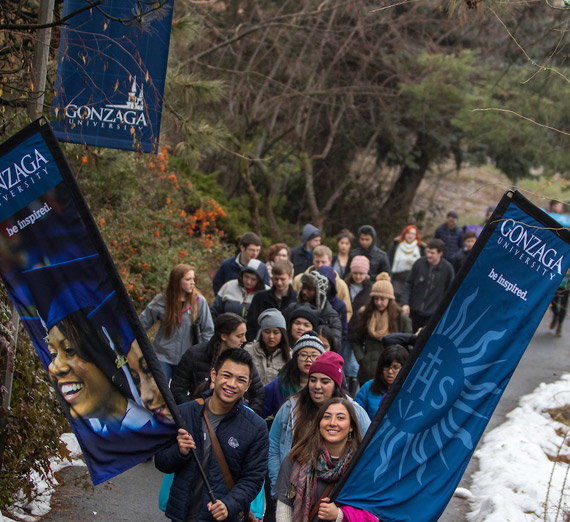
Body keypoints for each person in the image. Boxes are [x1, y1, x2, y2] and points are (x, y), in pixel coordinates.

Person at [155, 348, 269, 522]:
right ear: (214, 375)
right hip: (183, 515)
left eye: (240, 380)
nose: (231, 384)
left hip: (223, 517)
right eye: (227, 375)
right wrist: (180, 452)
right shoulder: (184, 413)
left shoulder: (256, 428)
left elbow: (253, 479)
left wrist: (229, 505)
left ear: (248, 386)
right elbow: (161, 462)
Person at [268, 350, 370, 495]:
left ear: (336, 384)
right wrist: (278, 487)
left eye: (325, 381)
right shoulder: (290, 408)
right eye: (313, 379)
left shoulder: (354, 412)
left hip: (340, 495)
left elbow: (369, 450)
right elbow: (273, 446)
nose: (317, 386)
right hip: (292, 491)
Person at [274, 398, 376, 522]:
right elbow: (284, 507)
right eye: (327, 417)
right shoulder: (297, 458)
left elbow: (373, 514)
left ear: (351, 427)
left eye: (340, 418)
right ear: (319, 423)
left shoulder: (361, 465)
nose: (332, 423)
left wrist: (339, 515)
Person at [170, 313, 265, 414]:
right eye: (239, 336)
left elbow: (258, 393)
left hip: (232, 419)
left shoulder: (243, 360)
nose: (244, 340)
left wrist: (246, 419)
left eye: (244, 335)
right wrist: (193, 412)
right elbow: (177, 389)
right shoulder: (194, 354)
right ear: (224, 336)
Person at [140, 264, 214, 382]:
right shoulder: (161, 301)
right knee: (161, 389)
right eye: (188, 279)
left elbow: (208, 330)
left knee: (179, 393)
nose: (192, 283)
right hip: (162, 355)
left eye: (193, 279)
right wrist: (141, 349)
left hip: (187, 358)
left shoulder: (199, 301)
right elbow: (142, 324)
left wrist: (203, 354)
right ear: (177, 281)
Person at [351, 273, 412, 385]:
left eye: (383, 299)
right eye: (376, 298)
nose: (379, 302)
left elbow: (408, 344)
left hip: (392, 373)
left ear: (390, 299)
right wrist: (362, 360)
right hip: (368, 371)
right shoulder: (365, 314)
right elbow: (356, 341)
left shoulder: (401, 318)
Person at [261, 330, 326, 420]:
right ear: (295, 358)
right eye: (303, 355)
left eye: (314, 355)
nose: (308, 359)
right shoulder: (281, 383)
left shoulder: (327, 385)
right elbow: (259, 409)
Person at [401, 239, 455, 332]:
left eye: (432, 253)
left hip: (432, 314)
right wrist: (405, 303)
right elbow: (408, 284)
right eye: (428, 252)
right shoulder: (419, 263)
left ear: (440, 253)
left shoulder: (447, 269)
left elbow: (451, 292)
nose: (429, 255)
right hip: (414, 312)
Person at [291, 245, 352, 321]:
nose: (320, 265)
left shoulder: (340, 284)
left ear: (330, 261)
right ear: (313, 260)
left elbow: (348, 312)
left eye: (323, 262)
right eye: (317, 262)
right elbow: (293, 301)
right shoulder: (299, 279)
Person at [286, 271, 342, 347]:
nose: (304, 292)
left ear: (319, 293)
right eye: (303, 288)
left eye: (309, 289)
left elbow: (335, 342)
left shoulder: (330, 316)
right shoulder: (292, 309)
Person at [246, 260, 297, 342]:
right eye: (276, 279)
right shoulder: (260, 298)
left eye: (282, 279)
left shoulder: (297, 299)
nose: (279, 283)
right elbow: (251, 324)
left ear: (290, 277)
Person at [344, 255, 373, 396]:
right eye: (355, 273)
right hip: (346, 329)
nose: (358, 276)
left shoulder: (369, 289)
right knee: (345, 359)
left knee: (355, 364)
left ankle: (353, 392)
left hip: (360, 331)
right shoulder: (346, 285)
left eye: (361, 273)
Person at [355, 344, 409, 420]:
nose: (390, 371)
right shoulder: (368, 388)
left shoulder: (410, 391)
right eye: (387, 367)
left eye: (395, 367)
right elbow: (356, 417)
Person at [244, 308, 290, 386]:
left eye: (276, 333)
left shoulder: (290, 355)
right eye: (267, 332)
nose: (271, 336)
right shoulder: (249, 350)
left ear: (282, 334)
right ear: (261, 333)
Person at [388, 225, 424, 304]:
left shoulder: (420, 248)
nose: (410, 236)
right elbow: (390, 261)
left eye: (413, 234)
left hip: (413, 279)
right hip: (398, 278)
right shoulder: (397, 246)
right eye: (408, 233)